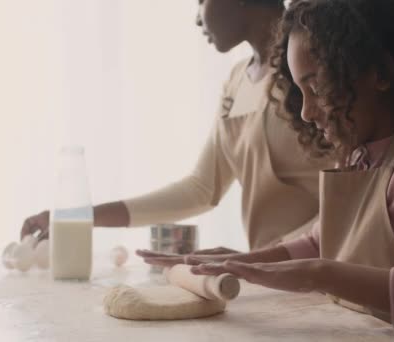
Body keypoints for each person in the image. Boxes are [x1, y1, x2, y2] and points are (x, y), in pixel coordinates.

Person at [137, 0, 394, 340]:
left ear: (379, 72)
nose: (306, 112)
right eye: (300, 92)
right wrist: (242, 262)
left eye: (315, 86)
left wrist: (320, 274)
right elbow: (320, 240)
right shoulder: (360, 158)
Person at [21, 0, 331, 252]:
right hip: (273, 276)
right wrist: (79, 217)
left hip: (320, 274)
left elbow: (352, 196)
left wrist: (274, 258)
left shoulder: (317, 66)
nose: (198, 19)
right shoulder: (238, 80)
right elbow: (201, 189)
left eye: (200, 2)